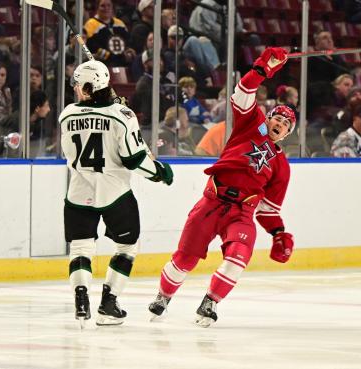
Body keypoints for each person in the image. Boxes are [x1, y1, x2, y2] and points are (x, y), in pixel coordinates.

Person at [148, 47, 296, 327]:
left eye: (286, 123)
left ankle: (210, 302)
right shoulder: (251, 123)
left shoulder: (282, 166)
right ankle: (163, 297)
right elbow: (243, 91)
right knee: (185, 258)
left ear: (289, 133)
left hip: (242, 213)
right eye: (278, 117)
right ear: (269, 118)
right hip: (212, 201)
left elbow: (268, 210)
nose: (280, 123)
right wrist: (265, 67)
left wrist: (278, 233)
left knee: (238, 258)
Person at [59, 60, 173, 326]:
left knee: (80, 248)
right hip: (116, 195)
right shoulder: (121, 115)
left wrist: (115, 109)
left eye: (78, 84)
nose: (75, 89)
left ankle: (81, 297)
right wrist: (161, 172)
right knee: (127, 246)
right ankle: (108, 304)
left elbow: (78, 142)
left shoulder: (66, 114)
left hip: (77, 193)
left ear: (87, 87)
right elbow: (134, 160)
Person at [84, 0, 136, 67]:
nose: (106, 8)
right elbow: (92, 46)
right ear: (97, 8)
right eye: (103, 6)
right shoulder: (90, 24)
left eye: (109, 5)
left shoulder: (119, 23)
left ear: (112, 8)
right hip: (101, 65)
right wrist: (112, 57)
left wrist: (129, 51)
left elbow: (128, 41)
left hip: (122, 64)